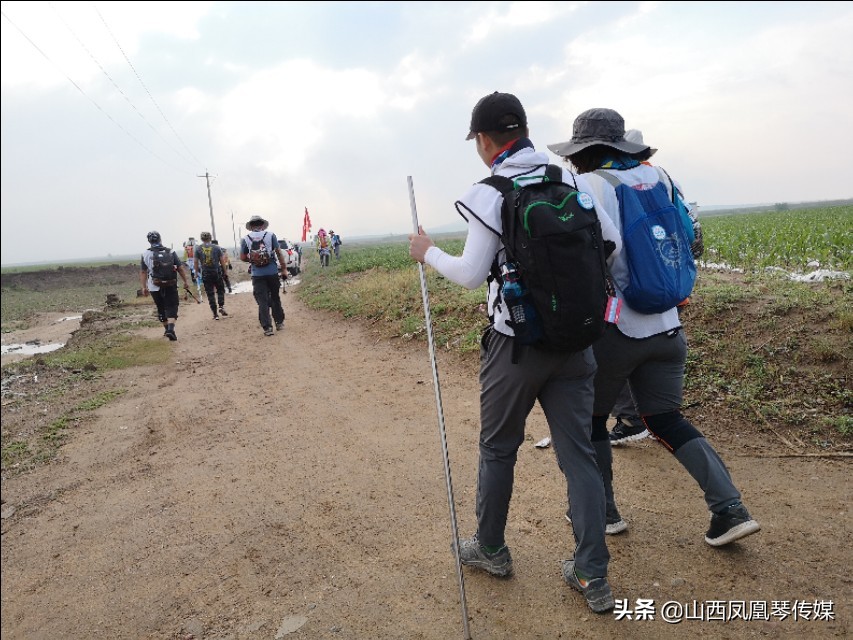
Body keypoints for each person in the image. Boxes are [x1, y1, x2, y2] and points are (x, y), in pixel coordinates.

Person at [409, 91, 623, 614]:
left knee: (499, 448)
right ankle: (593, 574)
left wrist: (426, 251)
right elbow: (610, 245)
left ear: (484, 141)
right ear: (524, 129)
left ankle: (491, 549)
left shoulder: (490, 191)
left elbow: (468, 273)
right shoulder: (569, 179)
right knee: (580, 458)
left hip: (516, 345)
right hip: (576, 341)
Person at [548, 108, 760, 548]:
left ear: (584, 152)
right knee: (667, 420)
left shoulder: (589, 186)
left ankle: (604, 513)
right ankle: (729, 508)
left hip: (618, 331)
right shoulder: (660, 177)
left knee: (591, 423)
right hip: (668, 327)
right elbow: (689, 237)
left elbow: (587, 257)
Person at [240, 215, 288, 337]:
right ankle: (279, 323)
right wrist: (284, 269)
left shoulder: (246, 238)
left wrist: (253, 260)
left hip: (257, 274)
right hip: (272, 272)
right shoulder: (271, 235)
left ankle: (267, 328)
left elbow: (243, 257)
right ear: (262, 225)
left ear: (251, 226)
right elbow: (279, 253)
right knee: (275, 297)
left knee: (262, 301)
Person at [140, 231, 191, 341]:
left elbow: (143, 272)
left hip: (154, 285)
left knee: (161, 307)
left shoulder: (145, 254)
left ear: (149, 241)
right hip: (171, 284)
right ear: (160, 239)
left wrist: (144, 287)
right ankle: (171, 329)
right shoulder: (171, 251)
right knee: (172, 306)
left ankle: (167, 329)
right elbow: (180, 267)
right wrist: (185, 281)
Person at [194, 232, 230, 320]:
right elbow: (222, 261)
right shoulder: (216, 248)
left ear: (201, 239)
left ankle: (215, 314)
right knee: (220, 290)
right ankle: (221, 306)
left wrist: (196, 273)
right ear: (210, 238)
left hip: (206, 274)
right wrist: (225, 272)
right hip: (216, 273)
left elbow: (195, 262)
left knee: (210, 293)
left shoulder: (198, 249)